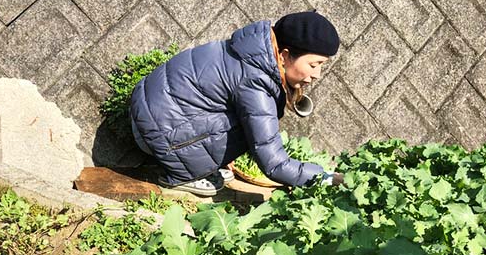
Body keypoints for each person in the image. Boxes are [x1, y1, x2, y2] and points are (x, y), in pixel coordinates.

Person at [129, 11, 344, 196]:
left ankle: (195, 161)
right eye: (314, 64)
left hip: (150, 112)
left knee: (248, 121)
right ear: (285, 55)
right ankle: (183, 176)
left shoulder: (252, 50)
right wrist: (327, 179)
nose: (317, 74)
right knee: (249, 127)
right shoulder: (255, 81)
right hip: (159, 136)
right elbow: (274, 163)